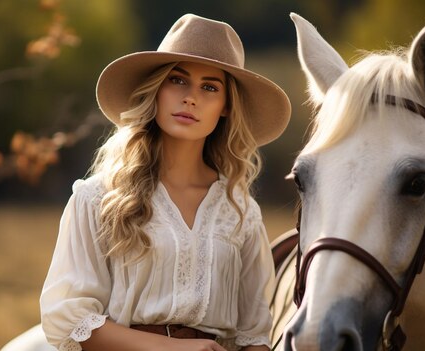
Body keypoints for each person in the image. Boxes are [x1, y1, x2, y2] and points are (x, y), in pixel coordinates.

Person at [39, 13, 291, 351]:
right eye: (178, 80)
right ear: (155, 89)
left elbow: (254, 336)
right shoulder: (98, 198)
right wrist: (178, 349)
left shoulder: (241, 213)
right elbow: (70, 320)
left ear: (226, 106)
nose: (191, 98)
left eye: (210, 87)